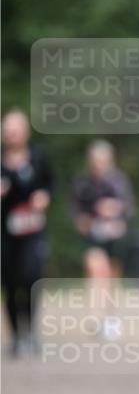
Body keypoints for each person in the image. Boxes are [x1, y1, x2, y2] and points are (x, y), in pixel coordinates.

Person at [1, 109, 54, 356]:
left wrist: (44, 196)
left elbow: (50, 184)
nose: (11, 134)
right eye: (7, 130)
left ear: (25, 132)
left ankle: (31, 330)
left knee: (31, 277)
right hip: (5, 231)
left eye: (15, 129)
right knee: (10, 283)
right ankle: (16, 336)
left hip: (32, 230)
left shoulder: (38, 157)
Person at [71, 140, 134, 281]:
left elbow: (128, 207)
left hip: (114, 236)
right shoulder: (83, 182)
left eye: (102, 161)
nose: (98, 165)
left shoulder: (119, 181)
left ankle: (107, 300)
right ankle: (97, 300)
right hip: (92, 234)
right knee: (96, 270)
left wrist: (114, 209)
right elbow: (76, 208)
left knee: (111, 276)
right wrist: (81, 221)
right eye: (95, 161)